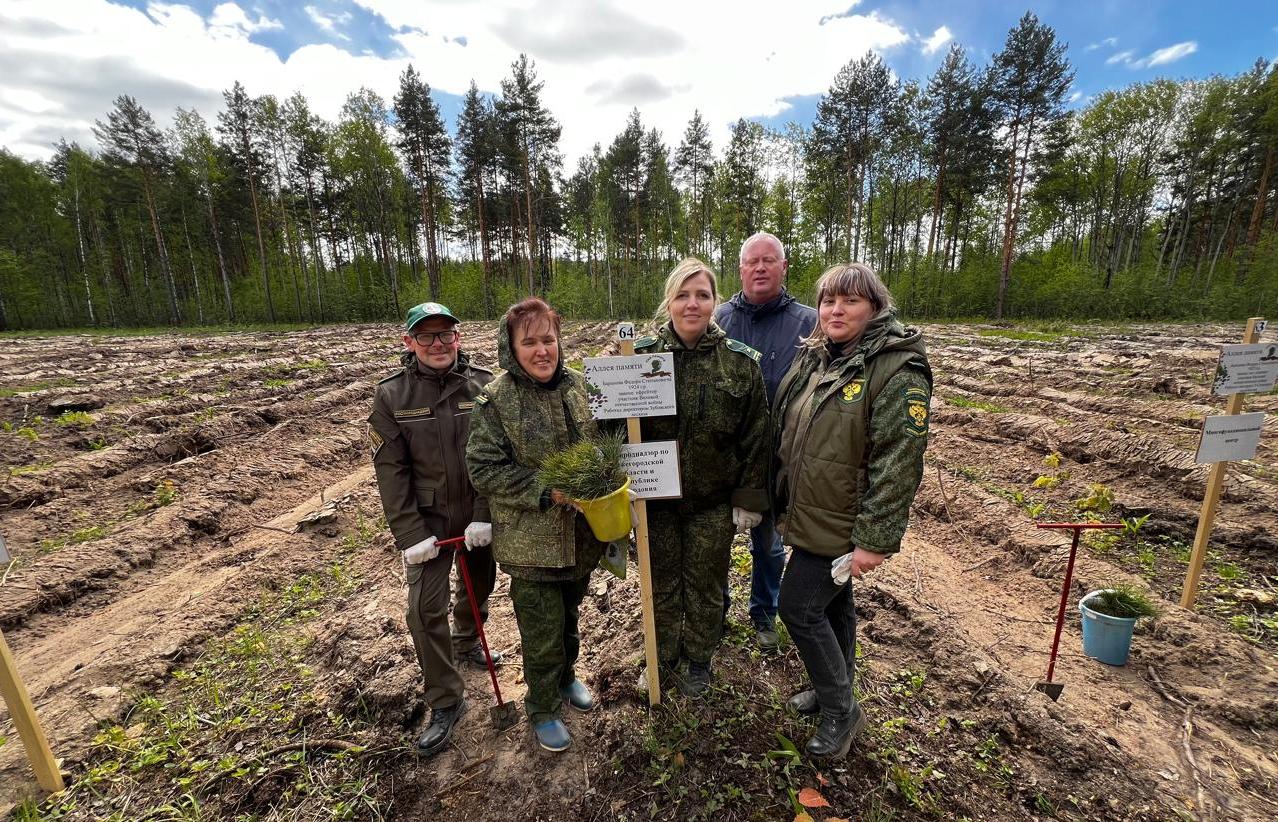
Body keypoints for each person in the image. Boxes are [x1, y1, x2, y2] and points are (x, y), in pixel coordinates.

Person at [773, 263, 932, 759]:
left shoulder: (894, 368)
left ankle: (842, 713)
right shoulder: (820, 357)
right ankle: (830, 692)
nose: (836, 310)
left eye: (850, 301)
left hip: (844, 522)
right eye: (828, 301)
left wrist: (874, 539)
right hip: (815, 513)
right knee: (832, 605)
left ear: (875, 307)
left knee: (797, 608)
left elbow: (898, 461)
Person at [465, 297, 606, 752]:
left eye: (549, 339)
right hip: (532, 546)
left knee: (569, 618)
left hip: (580, 539)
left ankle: (566, 679)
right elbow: (484, 468)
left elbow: (603, 443)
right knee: (541, 632)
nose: (542, 350)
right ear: (512, 348)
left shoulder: (581, 388)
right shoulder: (496, 400)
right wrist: (547, 491)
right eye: (530, 342)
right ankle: (542, 707)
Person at [636, 257, 771, 696]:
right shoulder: (639, 361)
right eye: (682, 295)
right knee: (661, 583)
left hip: (712, 503)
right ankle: (662, 655)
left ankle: (698, 659)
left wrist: (748, 500)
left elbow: (756, 437)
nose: (692, 304)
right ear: (669, 302)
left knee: (706, 585)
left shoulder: (740, 365)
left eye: (703, 295)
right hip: (654, 503)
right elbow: (612, 432)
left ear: (715, 302)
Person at [368, 301, 496, 758]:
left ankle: (467, 640)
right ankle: (445, 699)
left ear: (458, 338)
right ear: (409, 342)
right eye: (427, 336)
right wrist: (410, 535)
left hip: (478, 517)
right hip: (429, 525)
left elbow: (495, 456)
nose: (438, 344)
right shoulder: (392, 397)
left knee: (480, 583)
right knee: (423, 611)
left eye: (446, 335)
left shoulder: (484, 386)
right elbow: (391, 471)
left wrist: (485, 511)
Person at [713, 232, 817, 652]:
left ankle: (763, 613)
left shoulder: (808, 323)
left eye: (769, 260)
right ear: (739, 269)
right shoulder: (718, 318)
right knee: (715, 543)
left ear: (783, 267)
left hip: (776, 457)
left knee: (771, 546)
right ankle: (715, 611)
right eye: (751, 261)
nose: (760, 268)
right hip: (723, 455)